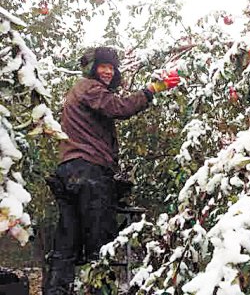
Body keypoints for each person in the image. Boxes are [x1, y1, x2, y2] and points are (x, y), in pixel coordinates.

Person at [43, 47, 180, 295]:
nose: (107, 71)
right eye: (103, 66)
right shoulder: (89, 87)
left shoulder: (83, 90)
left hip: (69, 170)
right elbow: (120, 107)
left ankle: (55, 291)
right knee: (100, 245)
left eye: (111, 67)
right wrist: (151, 90)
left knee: (66, 242)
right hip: (88, 172)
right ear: (92, 67)